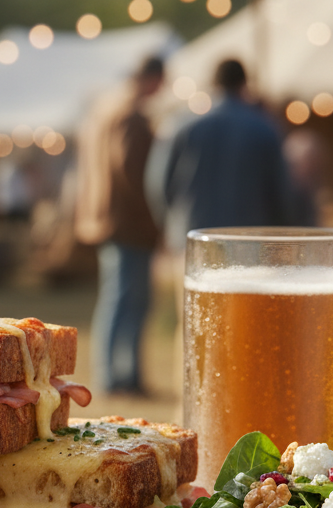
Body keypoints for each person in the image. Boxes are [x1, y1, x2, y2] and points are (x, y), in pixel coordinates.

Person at [75, 55, 165, 398]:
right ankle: (117, 375)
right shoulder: (130, 116)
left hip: (110, 220)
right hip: (130, 223)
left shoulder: (105, 111)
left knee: (120, 299)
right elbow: (134, 172)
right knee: (129, 300)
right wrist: (157, 212)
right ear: (152, 79)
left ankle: (118, 373)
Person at [156, 59, 295, 249]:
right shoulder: (265, 129)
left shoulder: (184, 127)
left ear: (214, 83)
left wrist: (172, 224)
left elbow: (158, 182)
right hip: (248, 239)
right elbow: (282, 191)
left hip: (195, 235)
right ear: (244, 85)